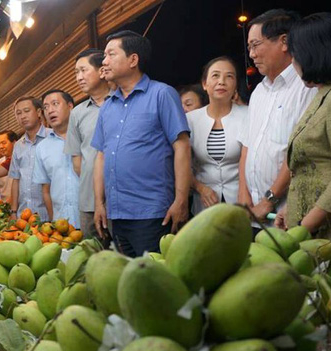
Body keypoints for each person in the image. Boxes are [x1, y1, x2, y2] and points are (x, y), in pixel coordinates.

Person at [92, 30, 191, 257]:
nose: (104, 62)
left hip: (153, 213)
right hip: (116, 215)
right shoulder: (108, 106)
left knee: (153, 282)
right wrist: (99, 203)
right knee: (127, 282)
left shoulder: (161, 94)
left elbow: (182, 146)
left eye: (110, 54)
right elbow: (101, 156)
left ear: (133, 59)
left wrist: (181, 200)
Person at [274, 12, 331, 243]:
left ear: (313, 52)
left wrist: (304, 226)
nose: (292, 61)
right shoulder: (323, 94)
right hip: (314, 231)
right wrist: (291, 211)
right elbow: (310, 169)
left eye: (295, 53)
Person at [237, 9, 317, 232]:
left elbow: (301, 152)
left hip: (288, 214)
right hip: (253, 213)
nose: (251, 54)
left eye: (255, 45)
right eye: (249, 48)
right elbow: (247, 147)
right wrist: (243, 194)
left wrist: (268, 200)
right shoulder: (259, 92)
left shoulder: (306, 87)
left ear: (284, 42)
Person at [188, 56, 247, 215]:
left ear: (235, 85)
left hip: (241, 203)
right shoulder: (190, 120)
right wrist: (200, 188)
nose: (222, 81)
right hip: (204, 204)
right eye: (215, 75)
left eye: (229, 76)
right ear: (204, 84)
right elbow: (181, 164)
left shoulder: (248, 115)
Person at [64, 48, 112, 237]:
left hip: (123, 201)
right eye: (76, 72)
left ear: (101, 71)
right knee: (93, 258)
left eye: (84, 70)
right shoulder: (77, 113)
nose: (79, 77)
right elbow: (77, 162)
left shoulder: (122, 103)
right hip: (89, 201)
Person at [33, 90, 80, 227]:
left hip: (91, 220)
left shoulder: (87, 136)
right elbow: (46, 190)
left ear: (70, 106)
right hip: (62, 225)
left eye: (55, 104)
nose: (50, 110)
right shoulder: (42, 148)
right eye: (46, 107)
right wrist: (54, 221)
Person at [8, 97, 51, 220]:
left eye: (27, 111)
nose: (22, 116)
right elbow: (16, 180)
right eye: (18, 113)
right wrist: (13, 211)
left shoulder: (53, 137)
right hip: (24, 216)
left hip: (48, 215)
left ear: (38, 112)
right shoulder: (18, 146)